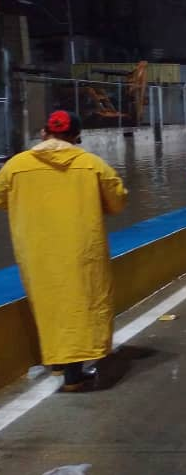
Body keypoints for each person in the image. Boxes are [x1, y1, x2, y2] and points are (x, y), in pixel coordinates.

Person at [0, 111, 128, 391]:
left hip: (36, 250)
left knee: (50, 303)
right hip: (81, 248)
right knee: (80, 303)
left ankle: (57, 360)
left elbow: (3, 199)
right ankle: (73, 375)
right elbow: (117, 202)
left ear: (44, 132)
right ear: (76, 137)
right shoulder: (91, 164)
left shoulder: (15, 165)